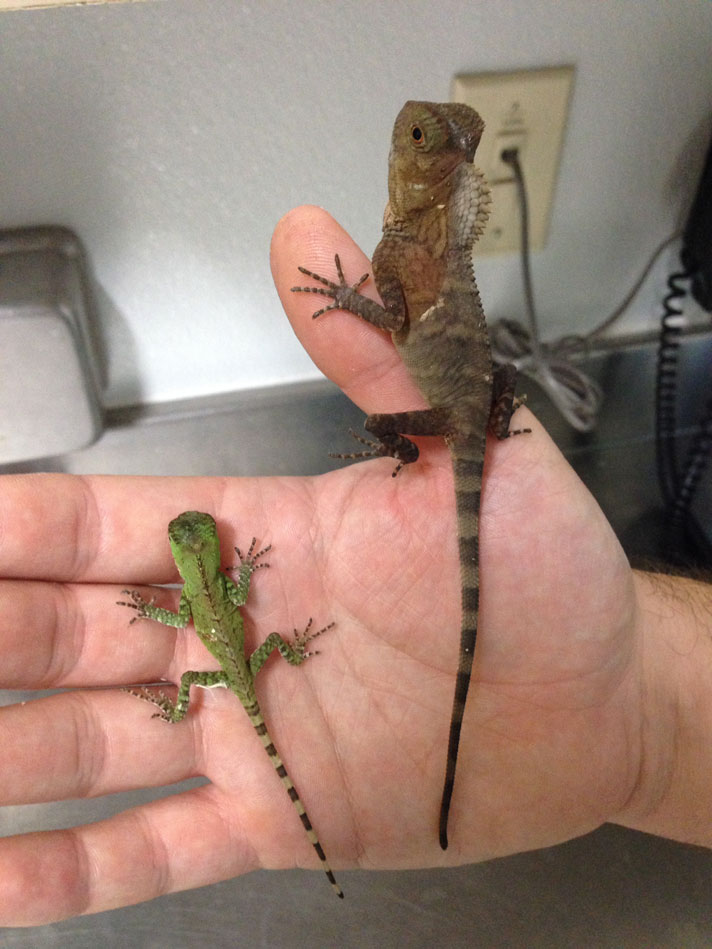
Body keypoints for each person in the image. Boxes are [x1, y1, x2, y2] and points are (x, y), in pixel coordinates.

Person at [1, 206, 710, 926]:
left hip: (232, 667)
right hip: (242, 664)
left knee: (210, 687)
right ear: (196, 559)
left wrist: (638, 697)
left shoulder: (194, 600)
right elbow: (229, 592)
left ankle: (219, 708)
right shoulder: (213, 590)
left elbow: (193, 605)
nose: (196, 540)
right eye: (192, 540)